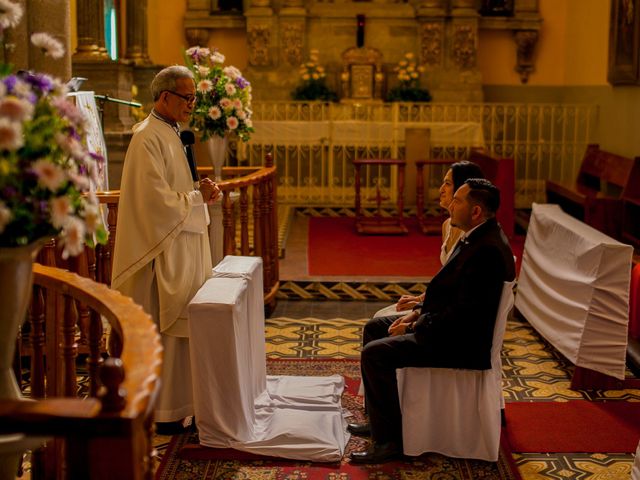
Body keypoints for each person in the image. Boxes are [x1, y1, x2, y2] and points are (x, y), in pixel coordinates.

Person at [349, 178, 516, 464]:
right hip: (450, 329)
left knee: (375, 354)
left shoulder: (486, 250)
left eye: (458, 200)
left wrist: (415, 325)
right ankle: (380, 423)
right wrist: (416, 312)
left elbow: (463, 315)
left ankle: (389, 443)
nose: (451, 204)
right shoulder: (478, 236)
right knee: (374, 328)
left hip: (461, 343)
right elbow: (452, 292)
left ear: (475, 211)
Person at [111, 66, 220, 431]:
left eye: (194, 97)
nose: (192, 104)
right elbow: (155, 203)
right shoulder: (146, 137)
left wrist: (200, 193)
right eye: (187, 97)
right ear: (164, 97)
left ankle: (181, 406)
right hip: (162, 252)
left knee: (183, 329)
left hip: (181, 246)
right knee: (167, 328)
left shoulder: (171, 132)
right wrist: (196, 198)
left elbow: (177, 187)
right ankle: (164, 411)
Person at [373, 161, 484, 318]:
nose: (441, 190)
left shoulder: (471, 233)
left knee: (381, 321)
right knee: (381, 316)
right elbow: (445, 281)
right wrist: (420, 299)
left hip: (452, 313)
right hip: (441, 302)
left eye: (447, 184)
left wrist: (420, 309)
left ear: (462, 189)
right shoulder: (447, 226)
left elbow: (460, 289)